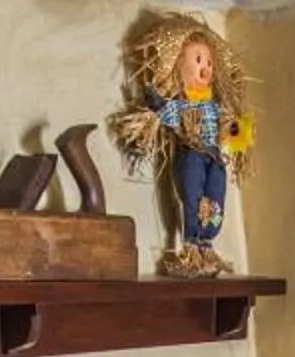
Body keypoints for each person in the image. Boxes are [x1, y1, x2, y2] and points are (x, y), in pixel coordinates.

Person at [110, 14, 257, 277]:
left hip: (215, 158)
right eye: (198, 60)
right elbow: (168, 114)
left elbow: (230, 130)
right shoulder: (182, 106)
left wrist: (238, 131)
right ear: (179, 67)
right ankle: (192, 247)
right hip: (192, 154)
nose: (205, 67)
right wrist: (156, 101)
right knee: (192, 197)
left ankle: (207, 244)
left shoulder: (215, 107)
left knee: (215, 199)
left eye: (209, 62)